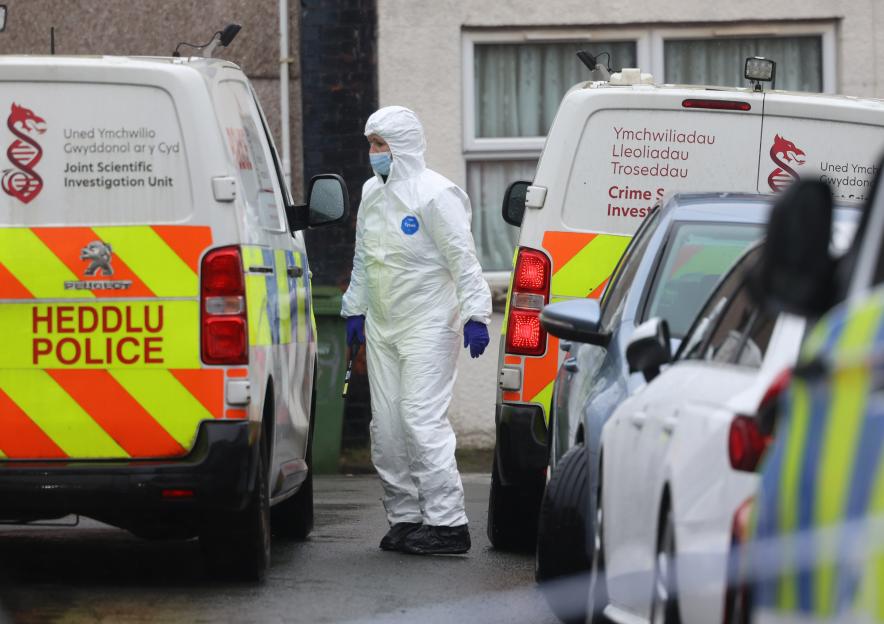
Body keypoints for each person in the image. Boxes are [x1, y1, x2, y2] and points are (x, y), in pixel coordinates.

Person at [341, 106, 492, 555]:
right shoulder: (372, 193)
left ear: (402, 146)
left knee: (420, 420)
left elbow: (463, 260)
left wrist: (477, 315)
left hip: (429, 323)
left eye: (381, 145)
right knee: (386, 427)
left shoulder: (436, 194)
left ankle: (447, 524)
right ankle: (406, 517)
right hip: (385, 325)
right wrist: (354, 309)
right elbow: (365, 257)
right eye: (371, 144)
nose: (374, 153)